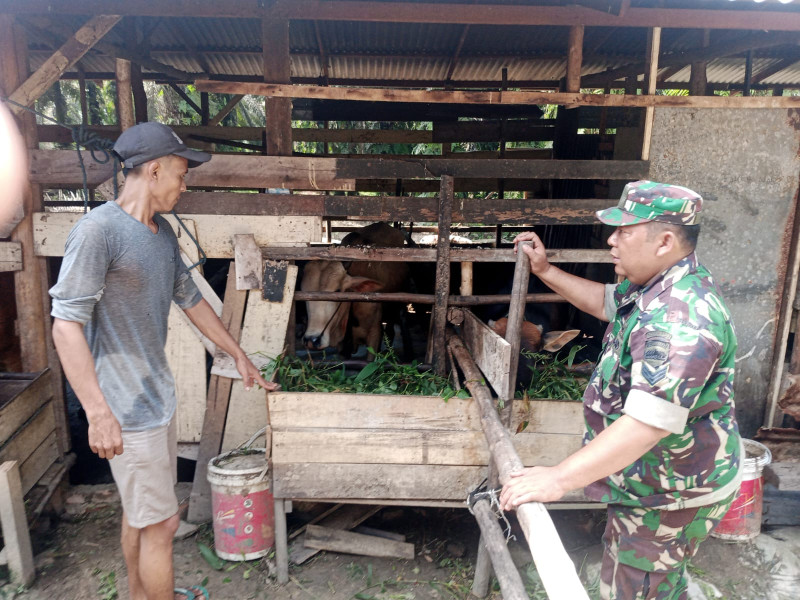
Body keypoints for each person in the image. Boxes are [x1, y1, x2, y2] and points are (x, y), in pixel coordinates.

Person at [50, 122, 277, 600]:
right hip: (125, 408)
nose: (184, 183)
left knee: (142, 515)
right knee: (163, 524)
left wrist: (239, 356)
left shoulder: (161, 233)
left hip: (156, 398)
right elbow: (65, 325)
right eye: (180, 173)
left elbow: (191, 299)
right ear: (153, 171)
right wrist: (97, 413)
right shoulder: (98, 233)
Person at [500, 181, 742, 600]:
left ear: (665, 240)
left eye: (625, 231)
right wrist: (545, 271)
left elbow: (647, 425)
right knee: (650, 580)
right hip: (649, 481)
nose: (611, 240)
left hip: (671, 492)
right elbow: (604, 303)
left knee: (635, 589)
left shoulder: (679, 320)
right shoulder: (656, 284)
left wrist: (559, 478)